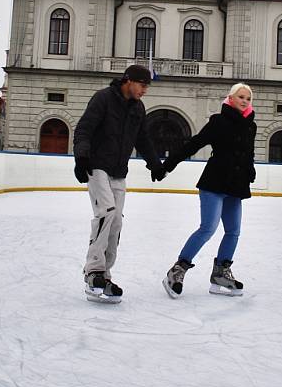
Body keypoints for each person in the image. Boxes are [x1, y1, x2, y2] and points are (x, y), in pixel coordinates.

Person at [73, 64, 165, 303]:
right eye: (143, 85)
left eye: (147, 86)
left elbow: (143, 139)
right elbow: (84, 129)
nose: (145, 90)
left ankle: (105, 273)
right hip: (96, 165)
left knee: (116, 222)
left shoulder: (138, 108)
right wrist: (82, 158)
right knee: (106, 212)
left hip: (118, 172)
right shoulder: (103, 98)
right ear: (129, 81)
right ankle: (93, 271)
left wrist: (155, 164)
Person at [162, 83, 256, 298]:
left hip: (236, 185)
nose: (244, 101)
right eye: (240, 96)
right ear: (230, 99)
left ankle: (220, 274)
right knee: (208, 228)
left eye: (248, 98)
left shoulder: (251, 126)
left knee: (234, 231)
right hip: (214, 182)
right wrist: (169, 164)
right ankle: (177, 270)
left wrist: (250, 171)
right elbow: (195, 144)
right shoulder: (218, 121)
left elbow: (248, 153)